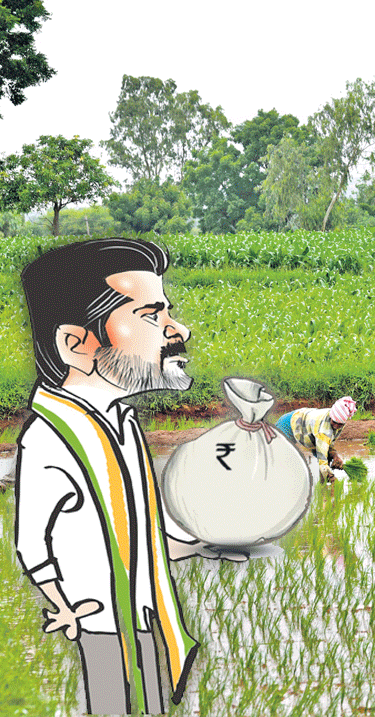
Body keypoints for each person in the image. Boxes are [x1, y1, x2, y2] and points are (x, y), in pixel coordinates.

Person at [14, 238, 236, 714]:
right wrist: (64, 605)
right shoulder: (51, 439)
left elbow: (141, 526)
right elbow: (32, 543)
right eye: (153, 316)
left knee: (149, 703)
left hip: (140, 613)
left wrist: (204, 538)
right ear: (76, 344)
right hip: (99, 620)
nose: (180, 330)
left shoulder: (122, 426)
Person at [275, 396, 357, 483]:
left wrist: (335, 456)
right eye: (334, 422)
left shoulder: (337, 423)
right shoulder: (324, 430)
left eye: (339, 424)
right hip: (288, 425)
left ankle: (322, 487)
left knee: (328, 457)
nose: (336, 426)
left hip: (307, 429)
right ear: (331, 417)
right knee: (283, 460)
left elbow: (328, 443)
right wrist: (333, 480)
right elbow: (322, 462)